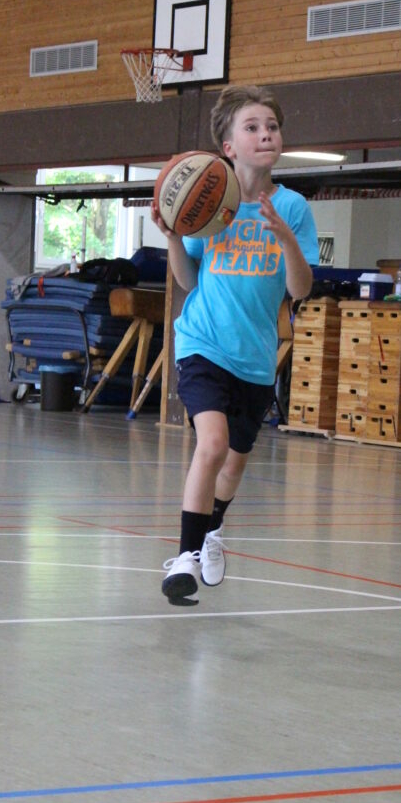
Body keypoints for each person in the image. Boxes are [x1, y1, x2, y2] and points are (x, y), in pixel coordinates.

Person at [152, 85, 319, 604]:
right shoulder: (208, 202)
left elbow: (300, 290)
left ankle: (211, 531)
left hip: (255, 356)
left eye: (272, 126)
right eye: (252, 127)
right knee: (213, 444)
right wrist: (173, 237)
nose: (266, 134)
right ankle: (184, 556)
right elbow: (187, 281)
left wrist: (285, 238)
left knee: (235, 461)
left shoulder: (292, 207)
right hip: (202, 342)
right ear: (228, 147)